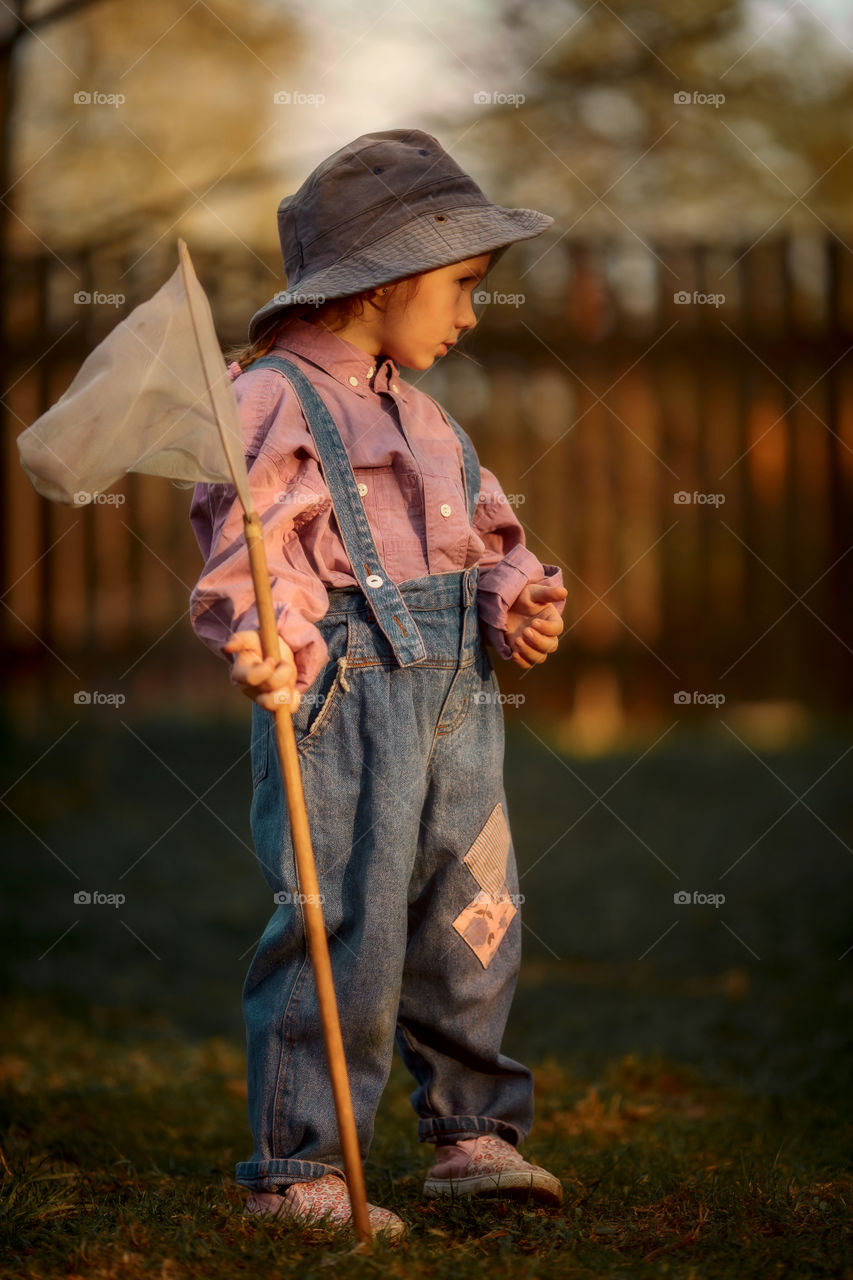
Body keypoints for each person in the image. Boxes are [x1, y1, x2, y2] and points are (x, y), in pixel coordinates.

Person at [189, 128, 568, 1242]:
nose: (467, 314)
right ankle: (296, 1159)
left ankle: (468, 1131)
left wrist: (513, 596)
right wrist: (266, 637)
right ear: (390, 275)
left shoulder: (424, 413)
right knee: (339, 914)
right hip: (341, 690)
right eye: (460, 287)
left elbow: (480, 534)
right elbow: (247, 538)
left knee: (471, 909)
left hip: (456, 694)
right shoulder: (271, 398)